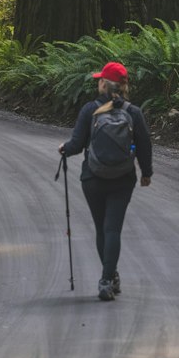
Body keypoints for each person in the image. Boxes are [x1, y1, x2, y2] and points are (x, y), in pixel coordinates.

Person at [59, 61, 153, 302]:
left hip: (93, 177)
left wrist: (64, 149)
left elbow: (77, 144)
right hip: (123, 178)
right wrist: (146, 172)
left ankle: (109, 277)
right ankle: (107, 278)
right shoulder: (133, 112)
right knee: (113, 228)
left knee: (102, 228)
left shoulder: (90, 109)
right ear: (124, 86)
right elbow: (144, 145)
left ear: (103, 84)